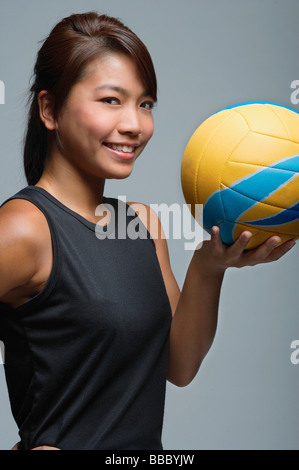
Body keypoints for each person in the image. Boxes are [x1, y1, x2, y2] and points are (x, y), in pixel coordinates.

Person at [0, 12, 295, 451]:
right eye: (111, 100)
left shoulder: (140, 224)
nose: (136, 125)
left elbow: (178, 364)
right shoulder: (24, 228)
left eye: (146, 103)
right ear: (50, 109)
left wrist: (209, 266)